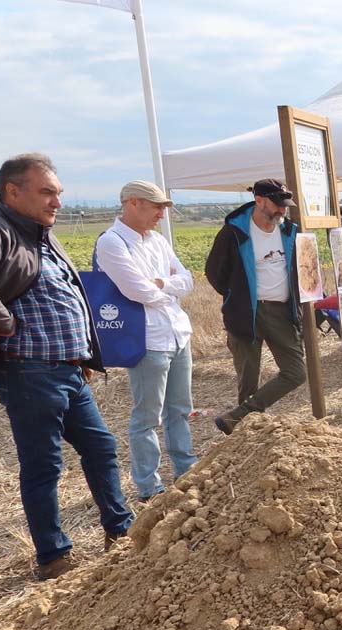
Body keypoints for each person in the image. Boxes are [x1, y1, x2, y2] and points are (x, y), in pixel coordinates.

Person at [0, 153, 133, 580]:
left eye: (59, 193)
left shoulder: (39, 234)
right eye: (47, 192)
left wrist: (80, 351)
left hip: (65, 369)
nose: (57, 202)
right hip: (28, 369)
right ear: (12, 192)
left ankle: (120, 531)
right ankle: (53, 557)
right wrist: (6, 323)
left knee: (101, 448)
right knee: (44, 465)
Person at [95, 180, 196, 500]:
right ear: (133, 203)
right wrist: (168, 287)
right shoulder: (111, 243)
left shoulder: (157, 241)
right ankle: (149, 486)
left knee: (180, 408)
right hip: (148, 339)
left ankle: (186, 468)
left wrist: (160, 284)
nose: (162, 214)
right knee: (147, 416)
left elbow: (188, 280)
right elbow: (136, 290)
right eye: (157, 207)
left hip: (178, 332)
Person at [205, 178, 306, 435]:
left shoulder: (289, 231)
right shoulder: (233, 233)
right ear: (259, 200)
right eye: (277, 205)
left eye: (285, 206)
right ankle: (247, 437)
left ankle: (238, 416)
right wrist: (236, 297)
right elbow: (215, 273)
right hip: (245, 314)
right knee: (248, 379)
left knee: (295, 373)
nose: (282, 210)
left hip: (282, 312)